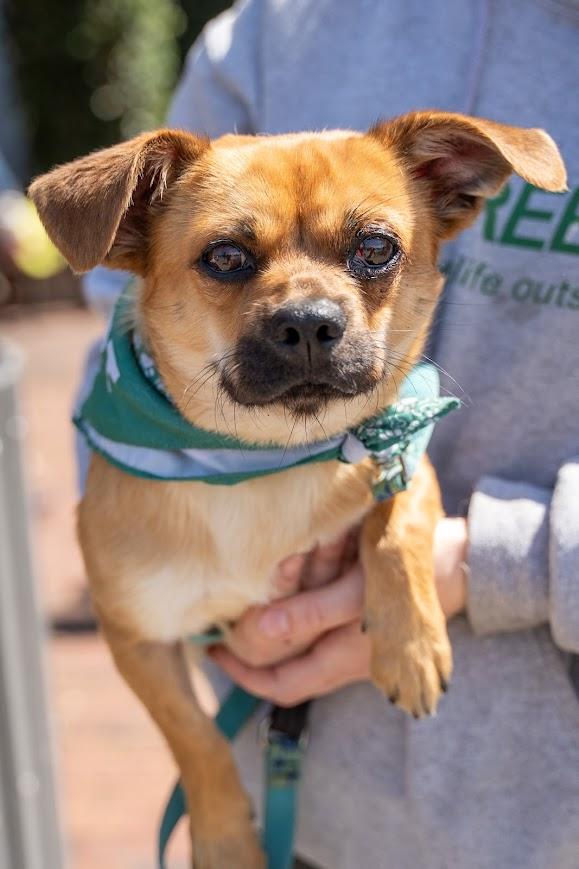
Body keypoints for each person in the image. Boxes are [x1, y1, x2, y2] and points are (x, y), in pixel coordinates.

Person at [84, 1, 579, 867]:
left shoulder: (380, 452)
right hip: (305, 820)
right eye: (230, 260)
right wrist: (210, 785)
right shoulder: (278, 25)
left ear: (452, 196)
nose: (310, 311)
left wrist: (480, 558)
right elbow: (111, 342)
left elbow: (397, 457)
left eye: (372, 252)